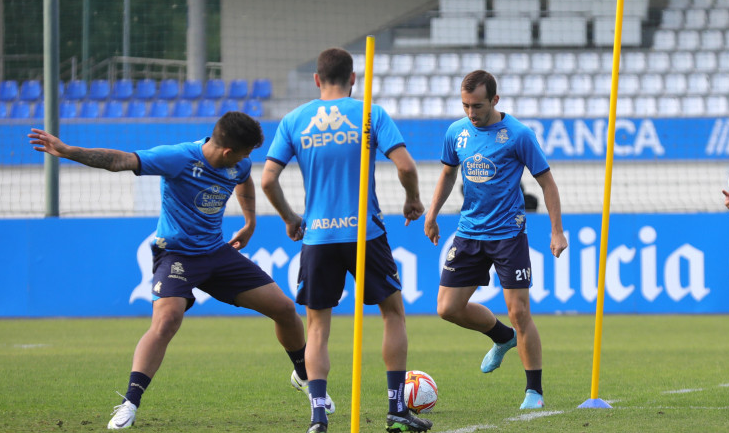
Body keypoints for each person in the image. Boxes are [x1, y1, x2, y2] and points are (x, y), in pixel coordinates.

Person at [28, 111, 332, 430]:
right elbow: (119, 160)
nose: (247, 159)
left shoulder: (239, 164)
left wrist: (250, 222)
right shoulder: (177, 158)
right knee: (167, 320)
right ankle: (130, 402)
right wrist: (68, 151)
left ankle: (303, 375)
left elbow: (244, 181)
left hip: (217, 253)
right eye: (245, 153)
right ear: (228, 152)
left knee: (285, 309)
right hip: (177, 255)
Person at [261, 47, 432, 433]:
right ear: (353, 79)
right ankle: (395, 410)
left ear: (317, 80)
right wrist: (412, 200)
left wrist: (291, 218)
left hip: (319, 235)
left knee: (318, 327)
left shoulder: (293, 120)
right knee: (392, 313)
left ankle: (319, 415)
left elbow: (268, 179)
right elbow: (405, 165)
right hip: (365, 233)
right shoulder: (370, 112)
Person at [423, 70, 568, 410]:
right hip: (469, 232)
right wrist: (431, 214)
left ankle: (534, 391)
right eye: (465, 105)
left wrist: (556, 230)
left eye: (477, 106)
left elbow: (547, 182)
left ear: (495, 101)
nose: (471, 113)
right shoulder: (456, 133)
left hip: (508, 235)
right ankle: (501, 338)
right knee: (447, 308)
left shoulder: (518, 135)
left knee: (519, 311)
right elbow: (447, 174)